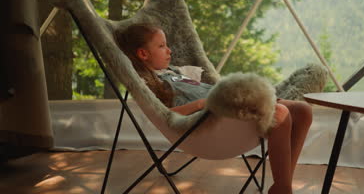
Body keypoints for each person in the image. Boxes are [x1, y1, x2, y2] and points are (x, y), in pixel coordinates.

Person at [116, 23, 313, 194]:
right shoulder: (150, 83)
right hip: (217, 119)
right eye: (161, 46)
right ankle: (283, 188)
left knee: (303, 111)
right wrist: (202, 104)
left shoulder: (174, 71)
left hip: (233, 103)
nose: (169, 50)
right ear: (143, 53)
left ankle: (283, 184)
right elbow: (165, 116)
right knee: (280, 113)